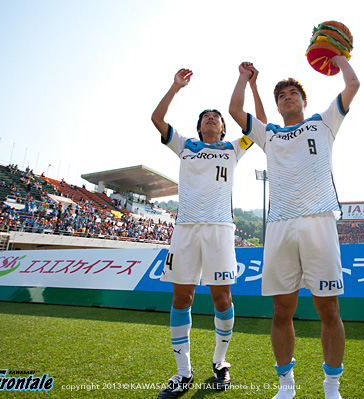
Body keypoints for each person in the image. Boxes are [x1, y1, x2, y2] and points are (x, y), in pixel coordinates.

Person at [229, 58, 360, 399]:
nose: (288, 97)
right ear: (277, 106)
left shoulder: (324, 122)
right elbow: (235, 108)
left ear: (304, 101)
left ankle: (332, 387)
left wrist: (339, 58)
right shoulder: (268, 134)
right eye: (282, 95)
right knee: (281, 311)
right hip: (280, 226)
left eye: (293, 93)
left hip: (319, 221)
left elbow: (353, 86)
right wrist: (245, 78)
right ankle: (286, 386)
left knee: (328, 310)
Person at [151, 67, 264, 399]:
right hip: (185, 231)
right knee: (181, 299)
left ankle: (220, 363)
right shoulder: (184, 145)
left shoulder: (234, 148)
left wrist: (248, 83)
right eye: (206, 118)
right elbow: (157, 119)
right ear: (199, 127)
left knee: (221, 298)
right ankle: (183, 373)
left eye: (217, 117)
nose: (212, 119)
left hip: (219, 231)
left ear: (224, 127)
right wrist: (174, 87)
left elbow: (258, 124)